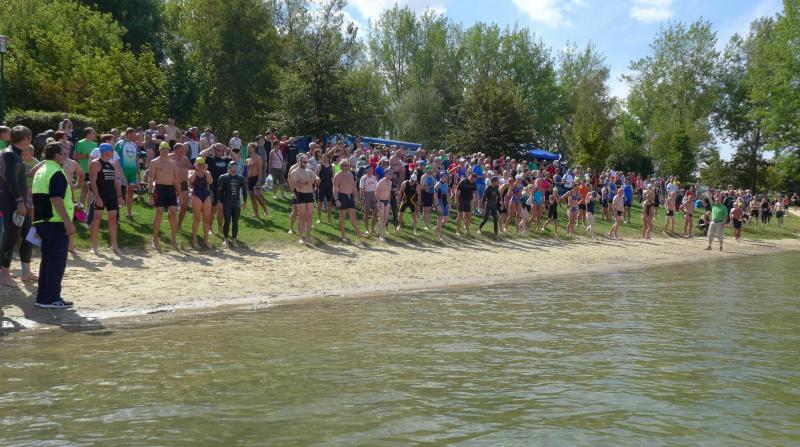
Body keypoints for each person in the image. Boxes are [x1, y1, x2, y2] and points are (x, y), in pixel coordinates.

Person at [31, 142, 76, 308]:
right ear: (56, 155)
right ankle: (50, 298)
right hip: (55, 222)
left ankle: (43, 298)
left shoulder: (41, 170)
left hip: (43, 221)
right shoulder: (56, 171)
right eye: (64, 153)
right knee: (56, 261)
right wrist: (68, 221)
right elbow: (56, 199)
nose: (66, 156)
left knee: (48, 260)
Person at [0, 126, 33, 288]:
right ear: (26, 139)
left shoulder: (16, 153)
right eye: (30, 137)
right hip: (12, 201)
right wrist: (20, 201)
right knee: (11, 236)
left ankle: (26, 272)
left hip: (20, 201)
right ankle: (4, 274)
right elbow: (10, 180)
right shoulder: (9, 154)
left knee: (28, 233)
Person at [88, 143, 122, 255]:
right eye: (112, 150)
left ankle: (114, 245)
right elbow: (92, 182)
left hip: (112, 195)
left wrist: (119, 196)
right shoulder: (95, 163)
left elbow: (116, 181)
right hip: (101, 195)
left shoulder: (111, 164)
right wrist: (97, 197)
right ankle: (93, 246)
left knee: (113, 219)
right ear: (107, 151)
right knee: (97, 219)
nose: (113, 152)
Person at [148, 141, 181, 251]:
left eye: (167, 148)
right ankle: (155, 239)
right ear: (160, 149)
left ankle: (173, 239)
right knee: (159, 213)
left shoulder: (173, 162)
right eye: (163, 148)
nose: (165, 150)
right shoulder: (154, 162)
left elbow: (176, 178)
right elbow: (150, 178)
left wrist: (179, 191)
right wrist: (150, 194)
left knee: (173, 213)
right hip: (160, 188)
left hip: (171, 189)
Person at [218, 161, 247, 248]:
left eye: (236, 166)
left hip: (236, 202)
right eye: (233, 166)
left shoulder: (241, 178)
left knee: (235, 221)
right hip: (227, 202)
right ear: (229, 167)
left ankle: (234, 239)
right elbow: (219, 191)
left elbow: (244, 190)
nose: (235, 168)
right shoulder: (223, 177)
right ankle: (226, 239)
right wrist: (219, 202)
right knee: (227, 220)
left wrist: (245, 201)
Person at [333, 160, 364, 242]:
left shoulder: (350, 174)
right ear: (340, 166)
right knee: (342, 216)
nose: (346, 167)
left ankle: (359, 234)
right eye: (344, 165)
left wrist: (356, 197)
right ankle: (343, 236)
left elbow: (353, 186)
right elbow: (335, 188)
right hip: (342, 196)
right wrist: (336, 199)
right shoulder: (337, 175)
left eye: (347, 165)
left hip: (350, 196)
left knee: (353, 215)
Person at [204, 143, 232, 234]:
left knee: (221, 209)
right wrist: (210, 147)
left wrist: (227, 149)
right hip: (213, 186)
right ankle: (209, 228)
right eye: (218, 150)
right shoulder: (210, 159)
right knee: (213, 208)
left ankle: (220, 228)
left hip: (224, 187)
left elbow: (237, 159)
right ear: (214, 150)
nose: (220, 152)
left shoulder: (226, 160)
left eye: (222, 151)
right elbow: (200, 155)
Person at [289, 154, 315, 244]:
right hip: (301, 195)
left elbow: (313, 179)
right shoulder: (294, 172)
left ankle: (308, 236)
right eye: (304, 162)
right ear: (299, 161)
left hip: (309, 194)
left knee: (309, 216)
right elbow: (297, 185)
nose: (306, 163)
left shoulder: (309, 171)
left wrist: (304, 182)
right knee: (302, 216)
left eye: (307, 162)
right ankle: (300, 237)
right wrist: (307, 182)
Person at [114, 128, 139, 219]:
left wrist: (138, 171)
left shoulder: (134, 145)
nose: (136, 136)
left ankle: (129, 213)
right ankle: (116, 213)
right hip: (122, 171)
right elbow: (114, 157)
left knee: (130, 192)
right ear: (129, 134)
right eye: (134, 134)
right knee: (120, 192)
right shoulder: (119, 144)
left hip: (132, 171)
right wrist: (116, 171)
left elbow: (136, 158)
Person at [189, 157, 213, 249]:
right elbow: (190, 180)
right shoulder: (192, 172)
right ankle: (194, 240)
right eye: (199, 164)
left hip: (206, 195)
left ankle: (206, 240)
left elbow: (210, 181)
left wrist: (205, 171)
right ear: (196, 165)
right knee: (197, 219)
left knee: (206, 219)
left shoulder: (207, 173)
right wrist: (196, 171)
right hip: (196, 195)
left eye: (202, 164)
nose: (201, 166)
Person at [169, 143, 193, 228]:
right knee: (172, 205)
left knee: (185, 205)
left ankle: (179, 224)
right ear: (176, 150)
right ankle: (172, 224)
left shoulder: (185, 158)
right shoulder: (169, 157)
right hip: (172, 183)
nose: (184, 151)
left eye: (184, 149)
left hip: (183, 183)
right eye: (182, 149)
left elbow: (191, 168)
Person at [74, 127, 97, 208]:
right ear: (88, 134)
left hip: (93, 170)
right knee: (85, 189)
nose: (95, 134)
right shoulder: (80, 143)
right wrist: (88, 156)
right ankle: (82, 209)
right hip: (84, 170)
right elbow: (76, 156)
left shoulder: (95, 144)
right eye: (93, 133)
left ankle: (89, 210)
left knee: (92, 190)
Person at [245, 143, 269, 219]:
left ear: (254, 148)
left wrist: (259, 180)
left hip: (256, 179)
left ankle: (265, 209)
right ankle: (256, 214)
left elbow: (260, 171)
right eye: (248, 147)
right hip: (250, 179)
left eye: (249, 147)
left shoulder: (258, 158)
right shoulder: (248, 159)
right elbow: (248, 170)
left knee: (257, 196)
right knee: (252, 197)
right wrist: (246, 179)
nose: (248, 149)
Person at [455, 172, 477, 237]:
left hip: (468, 201)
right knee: (460, 216)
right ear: (470, 177)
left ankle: (467, 231)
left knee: (468, 216)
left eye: (474, 180)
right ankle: (457, 231)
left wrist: (475, 199)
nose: (472, 181)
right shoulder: (463, 181)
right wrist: (456, 200)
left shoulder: (474, 183)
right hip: (461, 200)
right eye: (472, 179)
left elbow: (475, 192)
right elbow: (457, 191)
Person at [359, 164, 379, 235]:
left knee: (375, 212)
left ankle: (372, 228)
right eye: (370, 169)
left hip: (373, 195)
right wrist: (362, 198)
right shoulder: (363, 178)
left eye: (372, 169)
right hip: (366, 196)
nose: (371, 170)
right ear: (366, 170)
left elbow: (376, 188)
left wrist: (377, 197)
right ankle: (367, 229)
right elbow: (361, 189)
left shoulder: (374, 178)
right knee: (366, 213)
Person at [316, 153, 334, 224]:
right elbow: (316, 175)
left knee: (330, 203)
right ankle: (319, 218)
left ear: (328, 158)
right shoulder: (319, 166)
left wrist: (335, 186)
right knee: (320, 202)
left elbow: (333, 177)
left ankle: (329, 218)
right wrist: (318, 178)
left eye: (326, 157)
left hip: (330, 187)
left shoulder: (332, 167)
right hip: (322, 186)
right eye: (323, 157)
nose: (324, 158)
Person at [376, 171, 392, 241]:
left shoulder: (390, 182)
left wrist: (389, 202)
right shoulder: (381, 182)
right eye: (390, 174)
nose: (391, 175)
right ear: (385, 174)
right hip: (381, 201)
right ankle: (381, 235)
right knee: (382, 218)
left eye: (392, 174)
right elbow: (376, 192)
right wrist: (378, 202)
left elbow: (389, 192)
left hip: (387, 201)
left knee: (386, 218)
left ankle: (379, 231)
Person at [433, 173, 449, 241]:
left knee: (446, 220)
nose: (446, 178)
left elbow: (446, 194)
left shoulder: (446, 184)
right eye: (445, 177)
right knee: (439, 219)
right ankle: (440, 235)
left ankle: (436, 229)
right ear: (442, 177)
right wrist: (437, 205)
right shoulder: (438, 184)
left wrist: (448, 203)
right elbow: (435, 195)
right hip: (440, 202)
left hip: (445, 203)